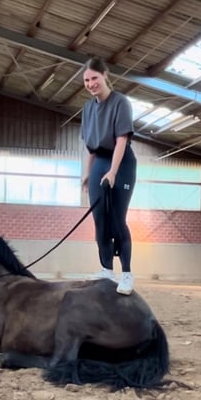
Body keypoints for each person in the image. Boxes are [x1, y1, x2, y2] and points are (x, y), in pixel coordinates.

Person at [80, 57, 137, 295]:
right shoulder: (87, 108)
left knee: (116, 218)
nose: (91, 83)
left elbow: (122, 139)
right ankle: (106, 270)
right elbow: (91, 148)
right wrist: (86, 174)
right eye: (86, 80)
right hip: (99, 161)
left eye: (94, 78)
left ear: (105, 75)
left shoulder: (120, 102)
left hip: (121, 162)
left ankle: (126, 274)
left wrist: (113, 172)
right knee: (99, 220)